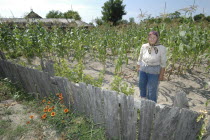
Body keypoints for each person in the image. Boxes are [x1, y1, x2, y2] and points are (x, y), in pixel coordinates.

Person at [136, 31, 167, 103]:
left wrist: (161, 75)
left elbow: (163, 63)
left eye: (154, 37)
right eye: (150, 37)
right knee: (141, 85)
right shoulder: (144, 46)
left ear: (157, 38)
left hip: (154, 70)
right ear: (148, 38)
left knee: (152, 89)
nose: (152, 39)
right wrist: (138, 68)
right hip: (143, 69)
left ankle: (152, 105)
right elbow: (140, 58)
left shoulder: (161, 48)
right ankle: (143, 101)